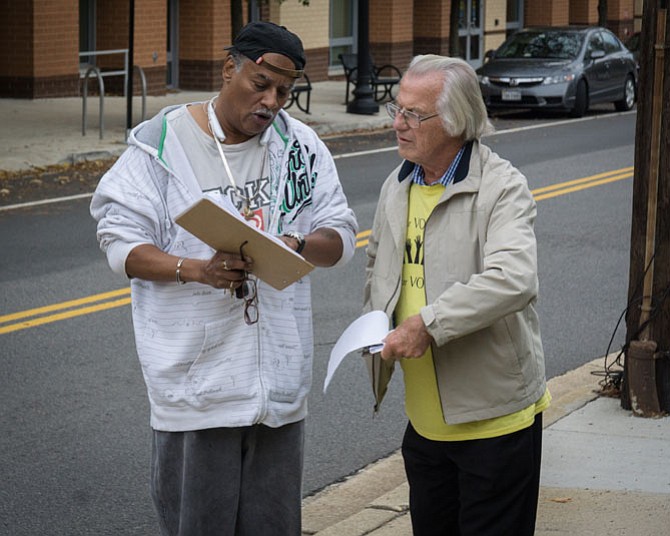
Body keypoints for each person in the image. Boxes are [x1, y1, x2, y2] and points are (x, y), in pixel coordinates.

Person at [90, 21, 358, 536]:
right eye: (261, 83)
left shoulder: (299, 147)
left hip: (277, 393)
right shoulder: (160, 144)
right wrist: (196, 270)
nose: (272, 101)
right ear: (228, 68)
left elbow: (341, 234)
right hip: (198, 392)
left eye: (285, 90)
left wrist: (296, 245)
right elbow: (119, 243)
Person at [363, 54, 550, 536]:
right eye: (395, 109)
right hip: (425, 425)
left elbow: (513, 278)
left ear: (455, 120)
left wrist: (427, 324)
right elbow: (378, 266)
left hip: (493, 425)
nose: (397, 124)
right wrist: (373, 325)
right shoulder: (397, 184)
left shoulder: (502, 187)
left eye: (412, 114)